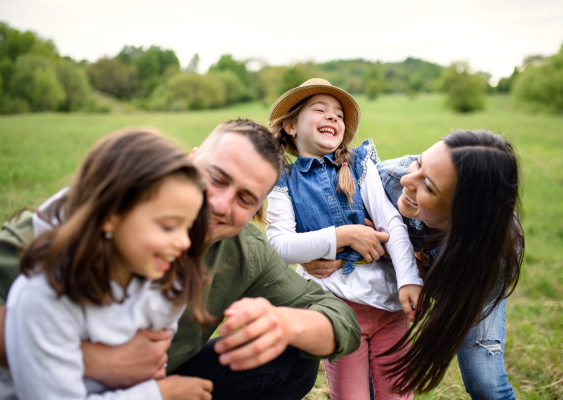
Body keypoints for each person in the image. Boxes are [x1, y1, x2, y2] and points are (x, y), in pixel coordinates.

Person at [0, 119, 361, 400]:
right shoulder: (99, 211)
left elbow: (343, 321)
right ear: (189, 162)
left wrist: (283, 324)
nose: (220, 204)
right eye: (216, 178)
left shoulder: (242, 249)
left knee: (294, 359)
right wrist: (98, 361)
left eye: (245, 199)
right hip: (48, 378)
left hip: (161, 383)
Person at [303, 130, 524, 399]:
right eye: (419, 162)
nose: (406, 179)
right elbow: (313, 219)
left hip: (468, 277)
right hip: (381, 304)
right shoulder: (384, 181)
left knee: (485, 382)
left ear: (463, 213)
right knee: (370, 378)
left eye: (428, 186)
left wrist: (405, 264)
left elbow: (444, 305)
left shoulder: (495, 255)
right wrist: (318, 248)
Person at [3, 129, 214, 399]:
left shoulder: (164, 280)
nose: (185, 242)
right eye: (169, 226)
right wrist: (159, 394)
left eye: (188, 227)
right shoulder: (44, 296)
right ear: (110, 215)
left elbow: (146, 372)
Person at [266, 78, 422, 400]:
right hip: (335, 311)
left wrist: (408, 278)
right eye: (320, 110)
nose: (333, 117)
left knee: (397, 394)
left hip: (388, 305)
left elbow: (390, 222)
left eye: (338, 114)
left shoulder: (360, 165)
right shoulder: (285, 180)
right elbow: (280, 246)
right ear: (291, 125)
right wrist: (343, 235)